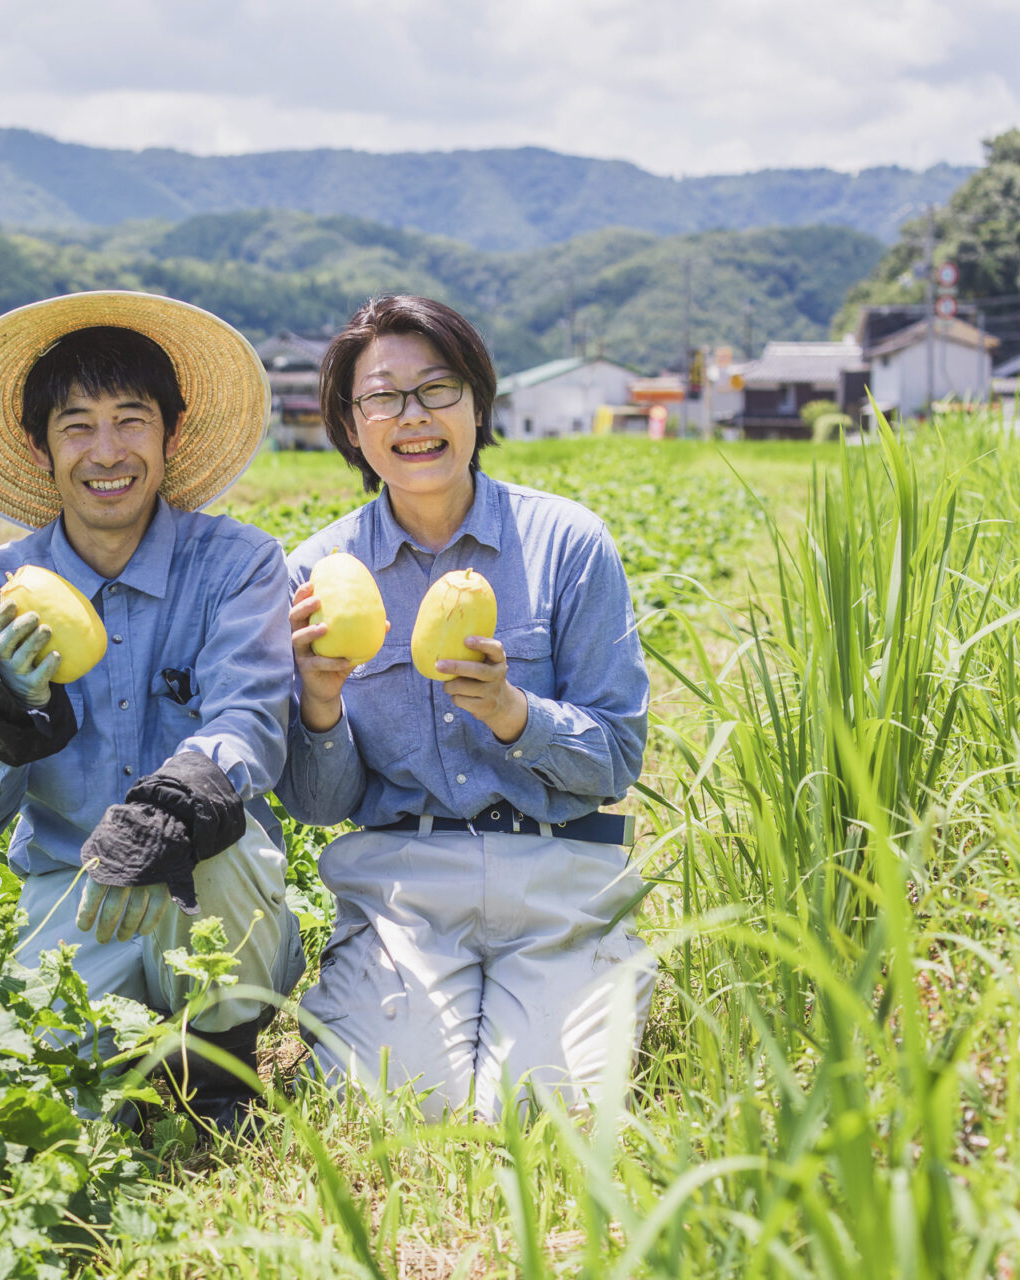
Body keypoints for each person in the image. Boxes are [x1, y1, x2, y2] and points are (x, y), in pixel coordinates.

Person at [0, 291, 305, 1129]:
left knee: (216, 831)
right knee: (66, 1114)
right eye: (76, 425)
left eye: (131, 420)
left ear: (170, 433)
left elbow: (252, 724)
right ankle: (130, 1068)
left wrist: (165, 814)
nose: (107, 451)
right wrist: (3, 722)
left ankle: (222, 1075)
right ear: (40, 447)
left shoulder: (238, 566)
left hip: (211, 886)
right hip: (73, 893)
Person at [278, 293, 653, 1121]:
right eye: (382, 396)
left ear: (479, 403)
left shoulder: (567, 543)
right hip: (403, 889)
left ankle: (597, 968)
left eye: (437, 388)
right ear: (350, 424)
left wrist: (515, 712)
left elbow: (619, 755)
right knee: (398, 1105)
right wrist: (321, 706)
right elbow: (315, 804)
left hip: (556, 878)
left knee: (541, 1113)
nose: (412, 417)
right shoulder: (317, 573)